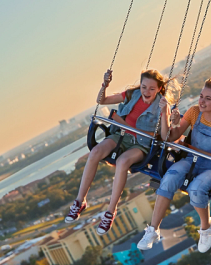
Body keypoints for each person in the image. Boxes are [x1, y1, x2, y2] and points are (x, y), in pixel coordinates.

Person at [136, 78, 211, 254]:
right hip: (191, 160)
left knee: (196, 189)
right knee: (168, 179)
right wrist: (170, 119)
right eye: (201, 96)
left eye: (208, 98)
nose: (201, 101)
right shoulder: (194, 112)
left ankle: (206, 227)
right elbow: (171, 137)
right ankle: (153, 230)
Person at [65, 69, 170, 233]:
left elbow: (164, 136)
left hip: (140, 144)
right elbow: (102, 100)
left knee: (122, 162)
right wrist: (104, 85)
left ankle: (110, 211)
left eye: (151, 88)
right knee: (95, 152)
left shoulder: (162, 105)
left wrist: (164, 113)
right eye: (144, 87)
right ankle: (80, 201)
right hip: (120, 136)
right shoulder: (132, 94)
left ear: (158, 89)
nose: (146, 92)